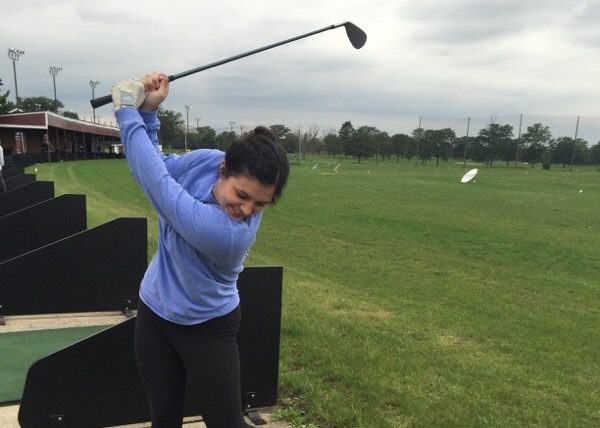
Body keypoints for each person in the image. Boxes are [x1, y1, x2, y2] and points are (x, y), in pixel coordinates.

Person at [112, 73, 289, 428]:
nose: (248, 210)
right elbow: (155, 166)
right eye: (242, 195)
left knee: (225, 423)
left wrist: (127, 113)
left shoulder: (229, 235)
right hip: (154, 314)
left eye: (261, 204)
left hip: (208, 329)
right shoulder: (209, 160)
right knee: (163, 417)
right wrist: (148, 113)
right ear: (223, 170)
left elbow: (158, 186)